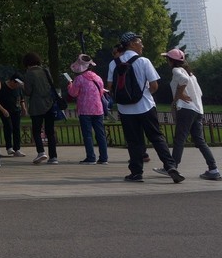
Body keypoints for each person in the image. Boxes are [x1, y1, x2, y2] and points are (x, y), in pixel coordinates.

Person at [109, 32, 183, 183]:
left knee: (133, 141)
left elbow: (110, 87)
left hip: (125, 109)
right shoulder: (143, 61)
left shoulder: (113, 63)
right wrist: (144, 94)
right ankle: (170, 166)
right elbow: (154, 85)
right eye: (139, 42)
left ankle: (136, 173)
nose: (142, 45)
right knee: (156, 137)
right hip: (145, 106)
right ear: (132, 44)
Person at [165, 48, 219, 180]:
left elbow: (183, 80)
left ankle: (173, 166)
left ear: (171, 61)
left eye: (167, 59)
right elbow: (200, 93)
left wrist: (179, 94)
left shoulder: (176, 70)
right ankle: (213, 169)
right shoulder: (191, 75)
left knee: (179, 139)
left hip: (186, 109)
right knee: (199, 140)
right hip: (197, 110)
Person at [67, 54, 108, 165]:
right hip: (98, 109)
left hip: (85, 110)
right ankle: (104, 157)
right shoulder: (98, 78)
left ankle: (91, 157)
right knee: (100, 134)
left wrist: (70, 85)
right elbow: (101, 92)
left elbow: (73, 93)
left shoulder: (79, 79)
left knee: (87, 134)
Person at [20, 53, 59, 166]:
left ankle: (41, 152)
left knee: (36, 130)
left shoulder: (29, 74)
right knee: (50, 131)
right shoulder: (46, 71)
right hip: (49, 104)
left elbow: (28, 92)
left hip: (36, 106)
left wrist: (22, 86)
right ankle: (53, 157)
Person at [0, 72, 25, 157]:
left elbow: (21, 98)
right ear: (12, 81)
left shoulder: (18, 88)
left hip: (16, 110)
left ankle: (17, 148)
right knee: (8, 127)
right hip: (5, 111)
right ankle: (9, 147)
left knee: (16, 128)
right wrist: (3, 110)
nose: (17, 86)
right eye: (16, 84)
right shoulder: (2, 87)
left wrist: (23, 108)